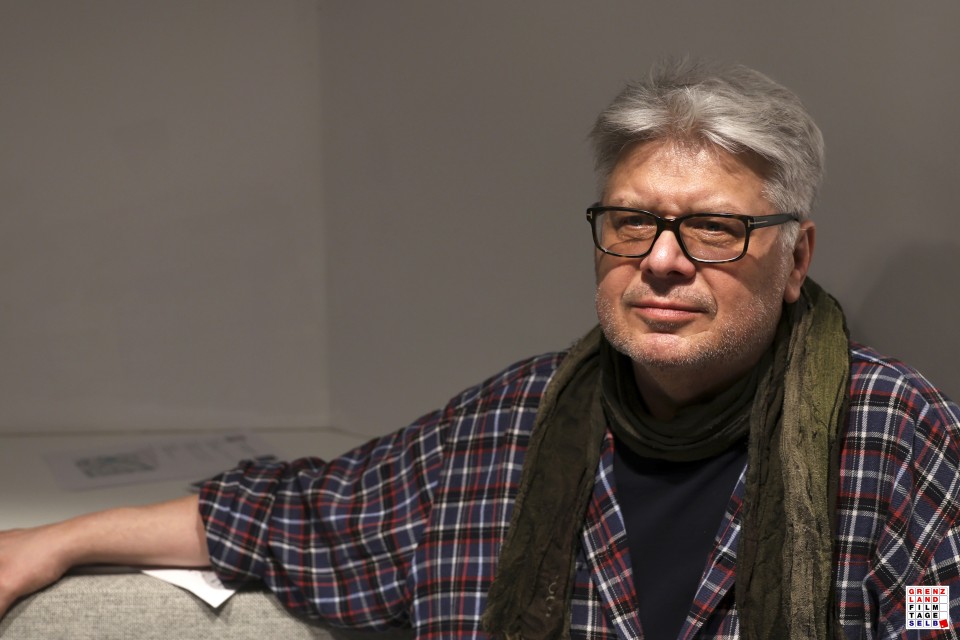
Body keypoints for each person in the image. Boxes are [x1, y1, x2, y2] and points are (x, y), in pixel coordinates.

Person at [2, 58, 959, 640]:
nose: (662, 261)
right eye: (632, 222)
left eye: (714, 229)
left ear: (796, 260)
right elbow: (301, 515)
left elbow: (936, 613)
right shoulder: (506, 427)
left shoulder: (892, 432)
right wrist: (56, 541)